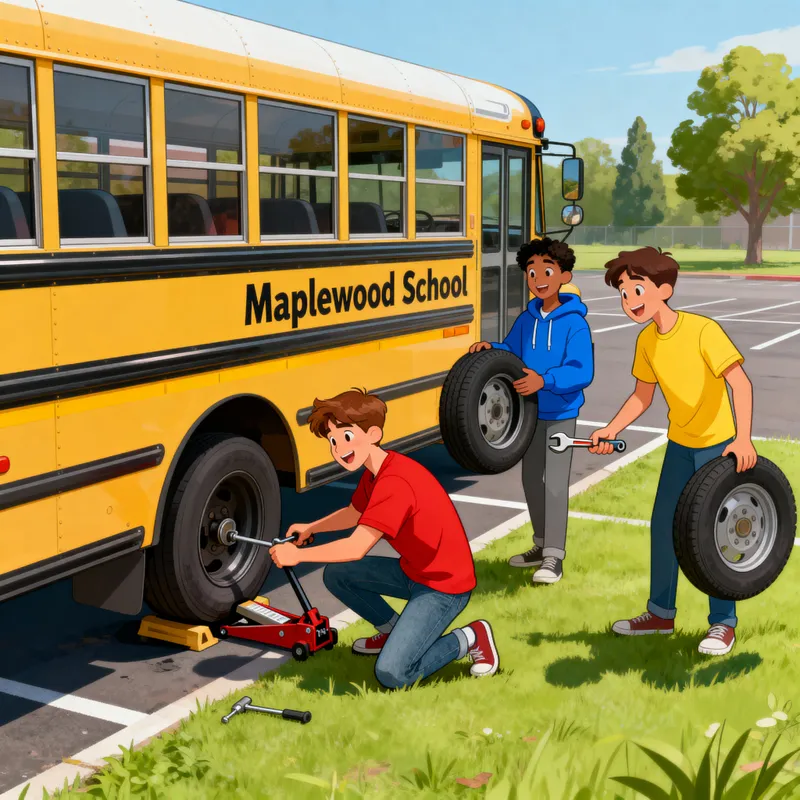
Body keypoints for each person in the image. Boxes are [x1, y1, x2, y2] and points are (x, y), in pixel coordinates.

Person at [269, 388, 499, 689]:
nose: (339, 449)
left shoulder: (394, 483)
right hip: (413, 572)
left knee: (393, 674)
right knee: (337, 575)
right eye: (333, 441)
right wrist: (312, 527)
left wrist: (297, 556)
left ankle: (469, 638)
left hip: (444, 587)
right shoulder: (377, 470)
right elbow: (354, 512)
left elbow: (356, 547)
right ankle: (394, 631)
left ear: (373, 433)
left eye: (346, 438)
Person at [590, 246, 756, 656]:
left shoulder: (703, 331)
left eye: (636, 290)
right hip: (680, 446)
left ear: (663, 289)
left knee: (713, 535)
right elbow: (641, 397)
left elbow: (741, 384)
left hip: (718, 448)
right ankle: (661, 614)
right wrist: (609, 429)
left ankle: (723, 623)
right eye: (623, 294)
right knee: (664, 527)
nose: (629, 301)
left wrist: (744, 438)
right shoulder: (647, 340)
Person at [469, 237, 594, 585]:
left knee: (555, 484)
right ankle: (540, 546)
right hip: (528, 415)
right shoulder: (528, 318)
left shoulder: (575, 324)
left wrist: (546, 380)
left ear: (564, 277)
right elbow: (511, 350)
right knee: (530, 480)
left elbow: (582, 371)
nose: (538, 278)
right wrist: (490, 348)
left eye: (547, 271)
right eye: (531, 271)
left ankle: (555, 555)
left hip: (561, 414)